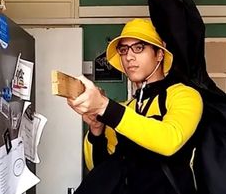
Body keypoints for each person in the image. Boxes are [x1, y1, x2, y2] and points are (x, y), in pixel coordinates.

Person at [67, 18, 203, 194]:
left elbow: (170, 140)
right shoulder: (126, 108)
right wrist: (96, 128)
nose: (129, 57)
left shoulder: (184, 95)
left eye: (139, 48)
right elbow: (100, 168)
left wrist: (104, 107)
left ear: (159, 54)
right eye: (123, 50)